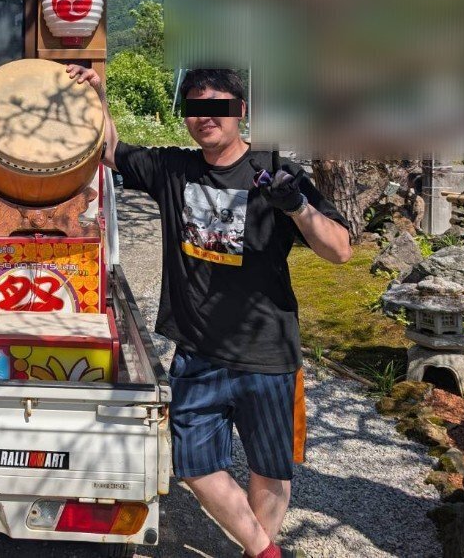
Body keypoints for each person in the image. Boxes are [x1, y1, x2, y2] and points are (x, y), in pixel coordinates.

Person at [66, 65, 351, 558]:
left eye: (218, 106)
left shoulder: (277, 172)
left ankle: (255, 552)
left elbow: (341, 250)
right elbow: (110, 150)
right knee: (194, 465)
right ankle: (265, 551)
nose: (207, 117)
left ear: (241, 110)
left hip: (267, 353)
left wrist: (296, 207)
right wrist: (99, 94)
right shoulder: (174, 169)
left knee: (270, 469)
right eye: (196, 107)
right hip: (197, 353)